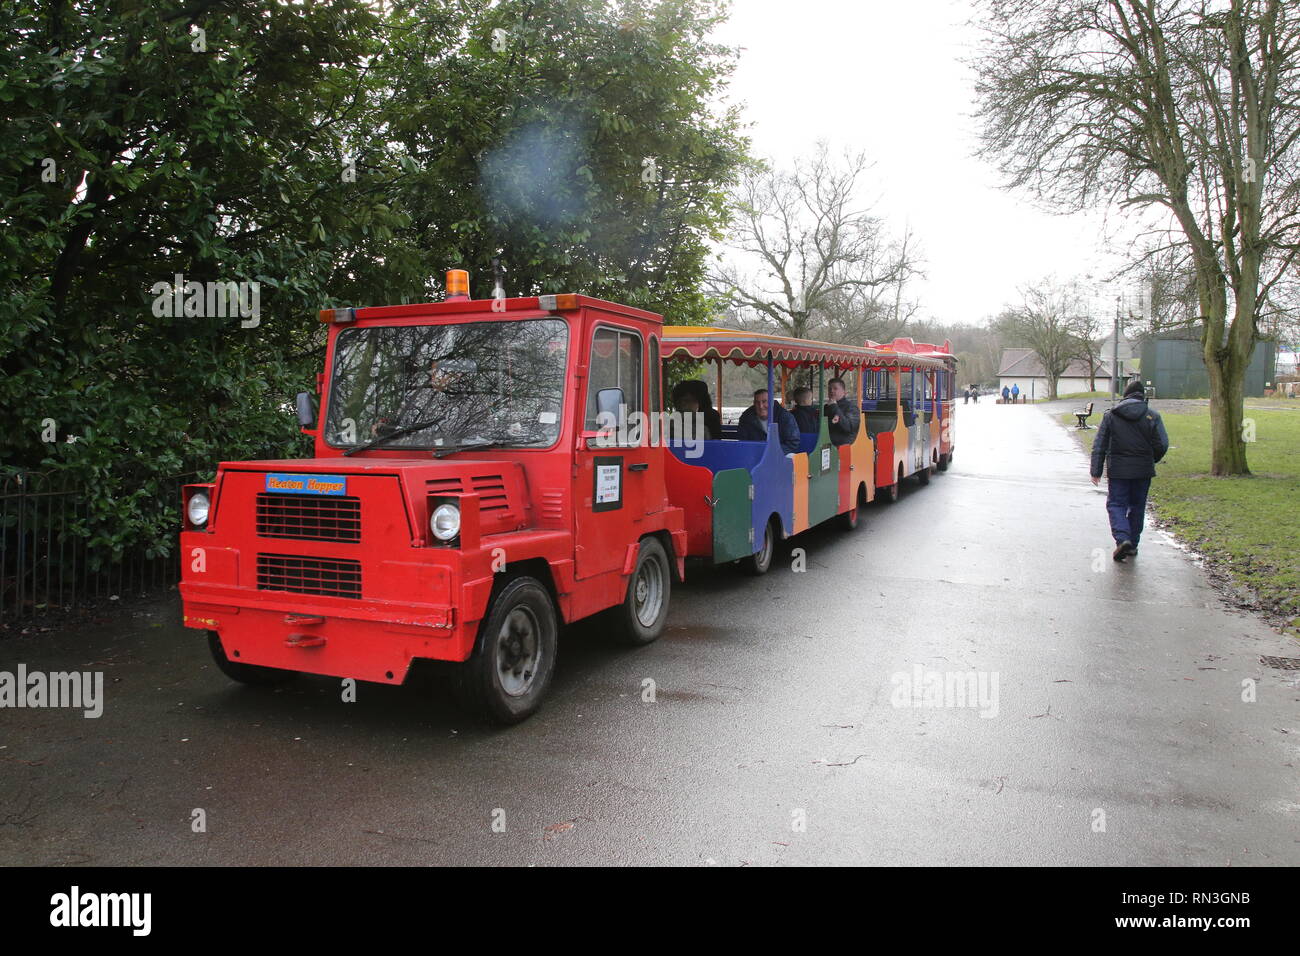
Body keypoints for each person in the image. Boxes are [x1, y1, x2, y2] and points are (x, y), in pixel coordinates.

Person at [1089, 379, 1170, 562]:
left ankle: (1122, 538)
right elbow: (1162, 444)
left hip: (1118, 470)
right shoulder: (1152, 416)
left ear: (1125, 396)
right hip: (1143, 470)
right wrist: (1151, 459)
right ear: (1143, 396)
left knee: (1117, 504)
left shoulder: (1111, 415)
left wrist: (1096, 470)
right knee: (1137, 506)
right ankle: (1132, 544)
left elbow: (1100, 444)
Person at [737, 387, 800, 453]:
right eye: (757, 402)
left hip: (780, 456)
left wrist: (770, 452)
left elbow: (793, 444)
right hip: (754, 456)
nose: (761, 406)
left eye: (764, 402)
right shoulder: (746, 417)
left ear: (772, 402)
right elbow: (742, 442)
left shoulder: (785, 417)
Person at [826, 376, 861, 445]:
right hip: (828, 443)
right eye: (830, 389)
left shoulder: (851, 407)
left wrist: (834, 407)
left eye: (835, 388)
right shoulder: (826, 407)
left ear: (844, 391)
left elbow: (848, 428)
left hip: (844, 445)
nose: (831, 391)